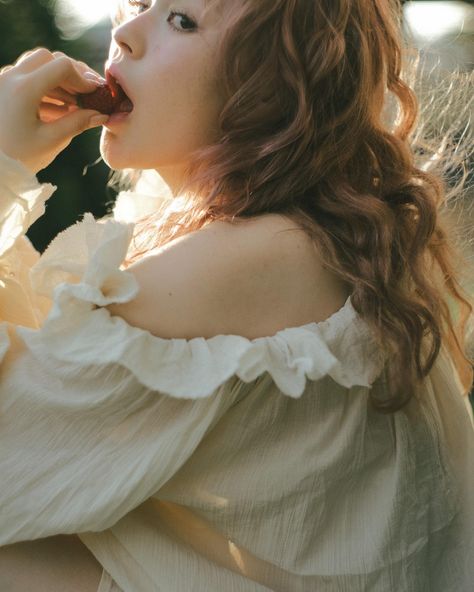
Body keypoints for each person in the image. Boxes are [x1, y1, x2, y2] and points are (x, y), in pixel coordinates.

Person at [0, 0, 473, 590]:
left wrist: (2, 167)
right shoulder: (300, 227)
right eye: (143, 4)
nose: (125, 33)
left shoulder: (249, 255)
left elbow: (13, 459)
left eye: (181, 21)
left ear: (272, 89)